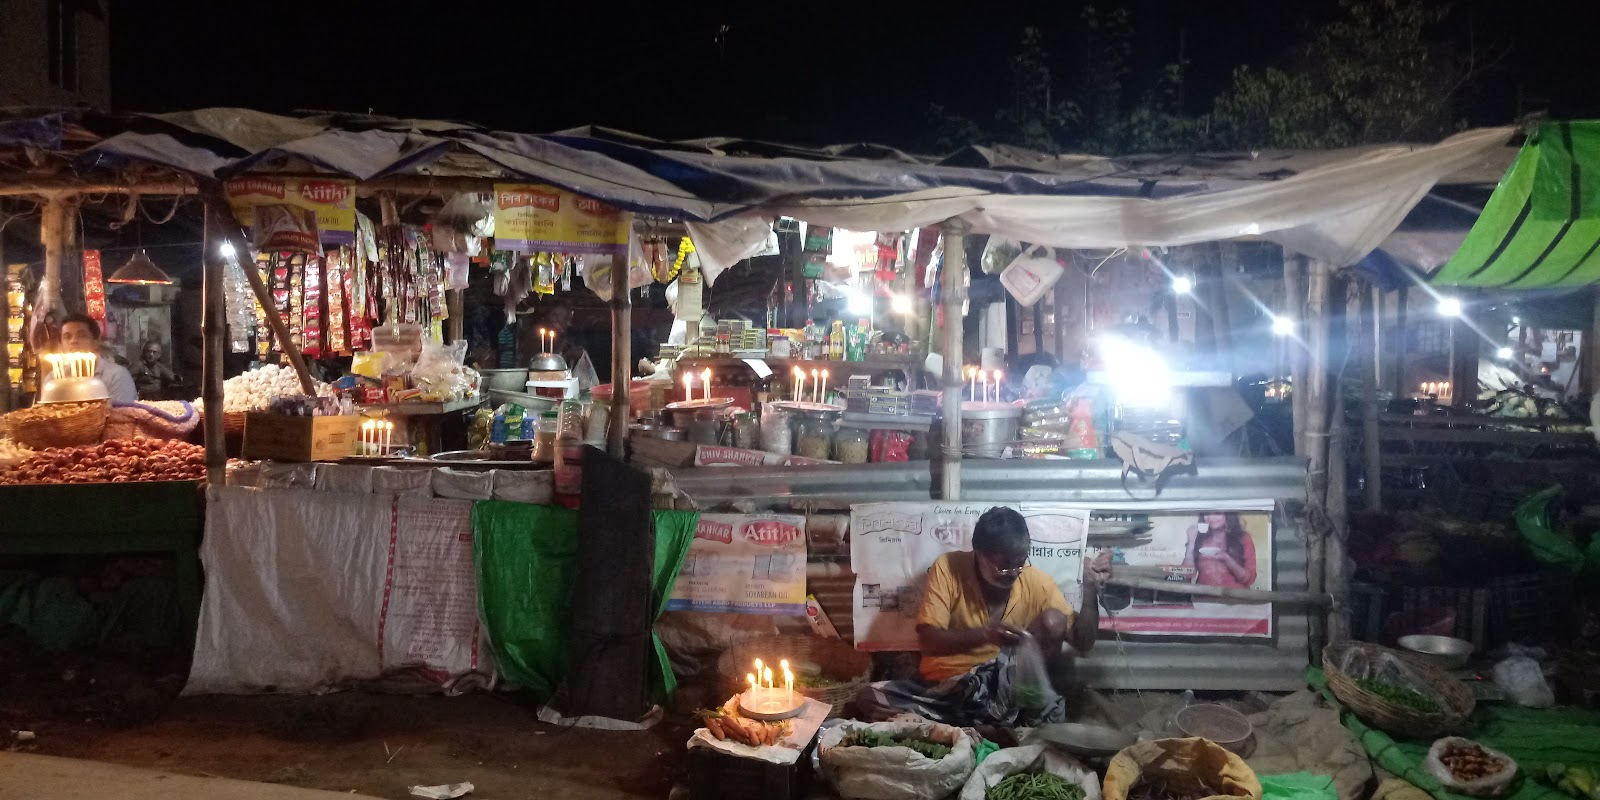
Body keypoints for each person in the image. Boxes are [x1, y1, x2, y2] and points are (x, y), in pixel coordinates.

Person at [856, 507, 1113, 728]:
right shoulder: (948, 568)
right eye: (1002, 565)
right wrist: (985, 635)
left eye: (1020, 563)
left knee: (1054, 620)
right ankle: (989, 726)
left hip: (1007, 690)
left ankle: (974, 725)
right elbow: (929, 642)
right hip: (952, 686)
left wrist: (1091, 591)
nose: (1012, 572)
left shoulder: (1037, 582)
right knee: (869, 696)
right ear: (977, 552)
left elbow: (1083, 643)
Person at [55, 313, 136, 404]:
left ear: (95, 342)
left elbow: (123, 414)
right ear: (60, 345)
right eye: (67, 337)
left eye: (82, 335)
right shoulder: (54, 378)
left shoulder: (116, 376)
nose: (73, 341)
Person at [1182, 512, 1258, 588]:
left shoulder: (1243, 538)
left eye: (1217, 513)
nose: (1211, 518)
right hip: (1203, 597)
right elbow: (1186, 575)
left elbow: (1249, 580)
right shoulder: (1198, 538)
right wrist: (1191, 542)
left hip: (1236, 597)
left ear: (1228, 515)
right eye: (1207, 513)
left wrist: (1228, 560)